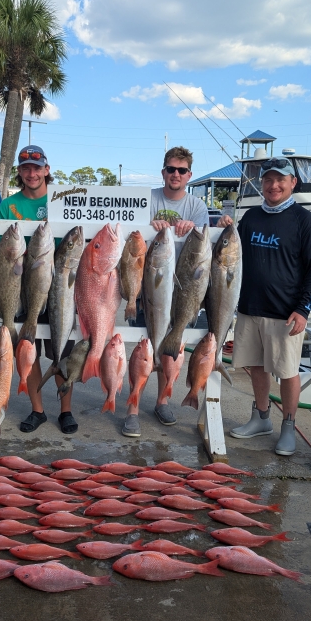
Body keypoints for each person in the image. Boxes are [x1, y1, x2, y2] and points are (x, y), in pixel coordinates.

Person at [218, 157, 311, 456]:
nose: (274, 185)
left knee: (287, 371)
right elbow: (230, 255)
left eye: (281, 179)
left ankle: (288, 426)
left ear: (293, 183)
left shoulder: (304, 220)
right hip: (249, 307)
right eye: (268, 180)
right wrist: (225, 227)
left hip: (285, 312)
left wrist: (303, 309)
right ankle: (261, 417)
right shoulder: (250, 217)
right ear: (261, 184)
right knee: (256, 366)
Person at [122, 146, 210, 437]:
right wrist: (149, 227)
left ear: (189, 175)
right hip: (149, 286)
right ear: (163, 172)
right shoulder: (146, 200)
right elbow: (131, 235)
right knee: (143, 347)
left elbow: (204, 243)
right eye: (171, 169)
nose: (176, 174)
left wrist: (194, 227)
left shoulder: (197, 207)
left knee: (170, 349)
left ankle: (162, 401)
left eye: (181, 170)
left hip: (181, 289)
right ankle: (133, 407)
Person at [0, 145, 78, 435]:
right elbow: (0, 250)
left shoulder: (63, 200)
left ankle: (65, 410)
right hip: (23, 289)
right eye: (26, 168)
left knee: (62, 352)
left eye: (37, 167)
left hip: (59, 287)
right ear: (19, 172)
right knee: (27, 349)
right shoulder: (8, 206)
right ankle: (38, 410)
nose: (32, 173)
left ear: (46, 169)